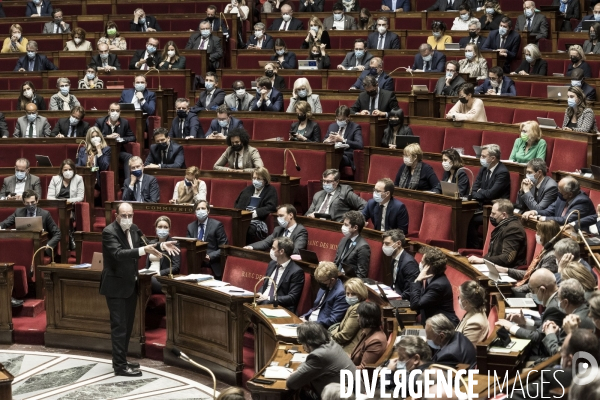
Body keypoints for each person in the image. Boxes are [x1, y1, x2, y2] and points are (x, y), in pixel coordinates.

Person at [100, 202, 179, 376]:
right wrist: (144, 250)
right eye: (124, 216)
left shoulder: (134, 228)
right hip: (115, 287)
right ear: (117, 216)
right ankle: (119, 366)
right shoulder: (109, 232)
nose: (128, 219)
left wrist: (160, 245)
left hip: (130, 285)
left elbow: (146, 243)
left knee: (127, 327)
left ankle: (122, 358)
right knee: (119, 327)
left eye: (130, 215)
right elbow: (119, 254)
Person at [287, 322, 356, 395]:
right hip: (353, 389)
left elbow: (291, 383)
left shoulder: (318, 356)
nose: (302, 346)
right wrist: (300, 371)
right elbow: (307, 363)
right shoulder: (331, 344)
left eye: (301, 342)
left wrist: (298, 372)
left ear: (308, 342)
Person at [466, 144, 510, 248]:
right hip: (481, 205)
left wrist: (480, 192)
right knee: (463, 215)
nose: (481, 159)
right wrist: (481, 192)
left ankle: (475, 247)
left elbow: (491, 194)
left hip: (495, 209)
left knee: (469, 219)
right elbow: (474, 190)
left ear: (493, 158)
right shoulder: (483, 169)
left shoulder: (502, 172)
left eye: (483, 156)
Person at [497, 220, 559, 293]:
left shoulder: (551, 256)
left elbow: (539, 283)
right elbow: (529, 274)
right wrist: (507, 270)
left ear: (546, 235)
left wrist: (513, 290)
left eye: (539, 232)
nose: (536, 234)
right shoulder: (545, 251)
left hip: (533, 294)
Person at [541, 279, 596, 355]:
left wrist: (550, 334)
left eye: (558, 298)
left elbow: (559, 355)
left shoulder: (573, 321)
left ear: (565, 302)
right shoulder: (587, 310)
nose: (557, 301)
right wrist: (558, 331)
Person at [469, 199, 527, 268]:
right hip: (495, 266)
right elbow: (493, 253)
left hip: (506, 271)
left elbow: (507, 258)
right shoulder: (503, 225)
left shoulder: (514, 229)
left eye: (493, 214)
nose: (490, 216)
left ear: (504, 215)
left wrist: (483, 260)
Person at [410, 247, 459, 326]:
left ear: (429, 266)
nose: (420, 264)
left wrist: (417, 280)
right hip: (434, 324)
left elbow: (415, 305)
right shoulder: (432, 278)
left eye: (422, 262)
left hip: (444, 328)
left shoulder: (438, 285)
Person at [256, 237, 305, 313]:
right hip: (263, 301)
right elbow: (265, 285)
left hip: (280, 307)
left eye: (273, 248)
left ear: (281, 251)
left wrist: (268, 298)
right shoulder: (272, 264)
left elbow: (292, 298)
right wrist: (259, 293)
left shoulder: (296, 271)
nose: (271, 250)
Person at [523, 176, 595, 224]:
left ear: (570, 194)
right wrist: (534, 212)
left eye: (560, 191)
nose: (558, 193)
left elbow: (566, 220)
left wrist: (539, 218)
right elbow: (548, 211)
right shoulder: (563, 197)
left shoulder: (582, 202)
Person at [186, 200, 228, 279]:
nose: (200, 211)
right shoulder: (190, 227)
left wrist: (210, 256)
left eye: (203, 208)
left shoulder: (217, 225)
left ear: (208, 211)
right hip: (195, 260)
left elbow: (224, 247)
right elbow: (188, 246)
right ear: (195, 212)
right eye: (198, 209)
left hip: (211, 261)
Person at [235, 167, 278, 243]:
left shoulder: (270, 190)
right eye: (254, 178)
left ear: (265, 180)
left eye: (259, 179)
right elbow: (237, 205)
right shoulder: (247, 189)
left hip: (259, 221)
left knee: (249, 230)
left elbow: (271, 206)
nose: (255, 181)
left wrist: (255, 213)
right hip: (244, 219)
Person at [301, 262, 349, 328]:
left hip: (320, 328)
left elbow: (333, 320)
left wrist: (309, 324)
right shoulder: (325, 285)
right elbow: (315, 307)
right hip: (309, 321)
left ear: (332, 280)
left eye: (322, 282)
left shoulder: (341, 293)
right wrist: (303, 317)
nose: (320, 285)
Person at [94, 103, 135, 177]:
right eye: (112, 110)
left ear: (120, 112)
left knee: (128, 156)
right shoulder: (100, 121)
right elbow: (92, 135)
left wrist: (121, 139)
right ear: (108, 111)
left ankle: (127, 184)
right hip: (103, 150)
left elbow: (132, 137)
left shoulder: (124, 122)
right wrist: (107, 136)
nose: (115, 113)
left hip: (118, 151)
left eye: (117, 111)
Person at [330, 278, 368, 353]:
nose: (350, 296)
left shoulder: (357, 308)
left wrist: (327, 338)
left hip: (349, 350)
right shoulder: (353, 305)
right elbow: (341, 327)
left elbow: (345, 335)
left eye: (353, 294)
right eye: (347, 293)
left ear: (360, 294)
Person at [145, 216, 180, 294]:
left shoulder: (174, 244)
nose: (162, 229)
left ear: (169, 229)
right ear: (156, 228)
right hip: (148, 275)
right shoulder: (151, 243)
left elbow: (176, 267)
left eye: (165, 227)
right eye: (160, 227)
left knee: (145, 282)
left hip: (162, 278)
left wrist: (159, 273)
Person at [324, 105, 364, 170]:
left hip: (346, 155)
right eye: (338, 119)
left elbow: (360, 144)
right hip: (332, 152)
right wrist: (327, 140)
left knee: (334, 158)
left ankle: (333, 178)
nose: (340, 121)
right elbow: (324, 140)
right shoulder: (332, 126)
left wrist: (342, 140)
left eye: (342, 119)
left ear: (348, 117)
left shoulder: (355, 127)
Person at [76, 127, 111, 201]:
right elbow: (78, 166)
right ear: (89, 139)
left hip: (97, 181)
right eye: (92, 137)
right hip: (84, 179)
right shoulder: (83, 150)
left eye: (97, 136)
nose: (95, 138)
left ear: (100, 137)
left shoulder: (106, 149)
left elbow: (104, 166)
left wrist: (99, 151)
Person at [333, 211, 371, 278]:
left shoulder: (363, 247)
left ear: (355, 228)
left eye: (346, 225)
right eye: (343, 224)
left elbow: (361, 275)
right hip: (336, 278)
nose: (343, 227)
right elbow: (336, 262)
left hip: (348, 282)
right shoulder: (343, 240)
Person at [383, 229, 419, 299]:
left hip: (405, 301)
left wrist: (395, 299)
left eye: (387, 244)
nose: (384, 246)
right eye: (383, 243)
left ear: (398, 244)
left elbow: (410, 291)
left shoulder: (409, 264)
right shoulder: (394, 259)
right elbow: (394, 283)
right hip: (396, 295)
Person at [350, 302, 386, 369]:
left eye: (360, 315)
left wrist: (341, 369)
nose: (357, 317)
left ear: (366, 319)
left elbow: (364, 369)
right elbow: (353, 355)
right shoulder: (366, 332)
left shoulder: (376, 341)